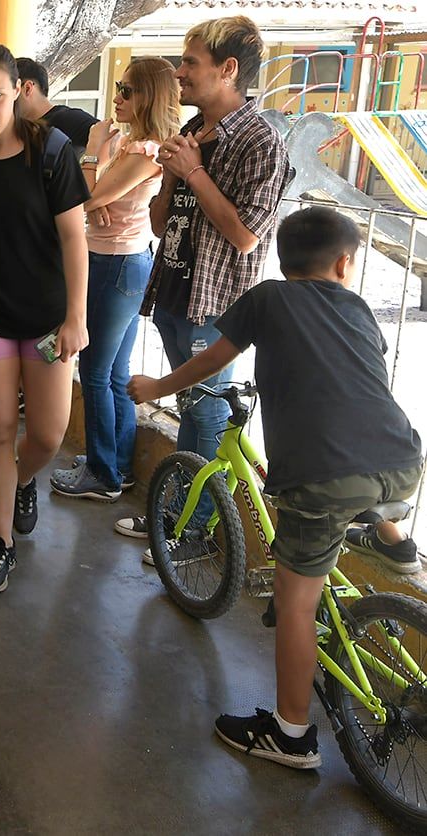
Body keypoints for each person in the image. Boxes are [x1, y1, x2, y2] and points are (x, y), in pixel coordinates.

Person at [127, 207, 423, 769]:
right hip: (402, 456)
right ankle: (391, 537)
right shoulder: (357, 307)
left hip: (324, 478)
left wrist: (155, 386)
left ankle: (290, 734)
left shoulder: (266, 299)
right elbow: (358, 382)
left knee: (294, 600)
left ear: (284, 260)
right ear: (344, 264)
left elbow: (213, 360)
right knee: (358, 479)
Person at [115, 16, 291, 556]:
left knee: (208, 414)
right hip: (173, 293)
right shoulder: (192, 133)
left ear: (228, 69)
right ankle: (175, 516)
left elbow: (243, 236)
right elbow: (164, 225)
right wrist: (171, 176)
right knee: (192, 408)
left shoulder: (261, 142)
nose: (180, 72)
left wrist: (193, 174)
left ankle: (195, 533)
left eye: (191, 62)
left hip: (216, 306)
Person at [0, 42, 90, 594]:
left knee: (49, 435)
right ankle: (1, 541)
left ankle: (23, 479)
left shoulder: (49, 150)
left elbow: (75, 237)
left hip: (49, 318)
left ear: (18, 91)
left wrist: (77, 316)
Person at [50, 57, 181, 502]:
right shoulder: (131, 144)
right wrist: (94, 195)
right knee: (113, 372)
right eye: (119, 89)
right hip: (116, 258)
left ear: (150, 97)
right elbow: (91, 197)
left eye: (127, 91)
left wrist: (91, 153)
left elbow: (84, 193)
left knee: (95, 371)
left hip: (116, 264)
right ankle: (117, 467)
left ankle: (104, 474)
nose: (117, 98)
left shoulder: (147, 151)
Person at [15, 57, 98, 159]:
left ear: (27, 88)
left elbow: (112, 139)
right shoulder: (19, 128)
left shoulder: (68, 118)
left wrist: (90, 167)